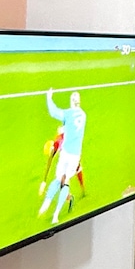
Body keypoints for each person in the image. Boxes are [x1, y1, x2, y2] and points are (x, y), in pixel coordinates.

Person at [39, 89, 87, 224]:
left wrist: (49, 97)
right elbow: (73, 128)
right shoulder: (83, 115)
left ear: (71, 102)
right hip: (75, 155)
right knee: (65, 181)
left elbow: (54, 112)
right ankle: (56, 215)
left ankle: (46, 203)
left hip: (66, 153)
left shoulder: (68, 114)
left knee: (58, 179)